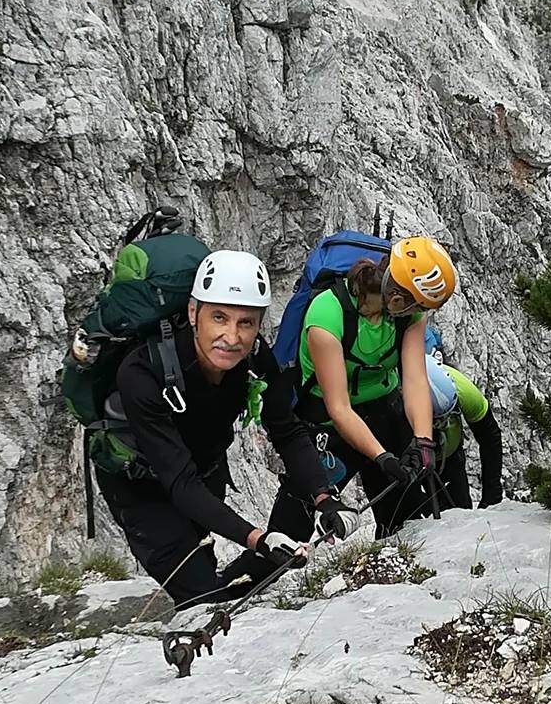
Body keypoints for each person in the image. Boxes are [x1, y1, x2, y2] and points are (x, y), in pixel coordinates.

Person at [95, 250, 358, 610]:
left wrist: (324, 498)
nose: (231, 336)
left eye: (246, 323)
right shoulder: (143, 372)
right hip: (141, 487)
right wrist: (257, 539)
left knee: (208, 575)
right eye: (219, 317)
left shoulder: (253, 357)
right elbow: (179, 482)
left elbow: (286, 429)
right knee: (203, 598)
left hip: (203, 469)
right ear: (193, 313)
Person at [267, 236, 458, 540]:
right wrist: (382, 457)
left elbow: (415, 379)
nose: (417, 312)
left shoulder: (411, 313)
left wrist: (423, 441)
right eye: (413, 304)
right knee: (289, 531)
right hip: (330, 425)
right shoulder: (327, 314)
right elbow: (339, 407)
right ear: (397, 295)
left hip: (385, 413)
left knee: (405, 523)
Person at [421, 353, 503, 512]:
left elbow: (490, 438)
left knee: (460, 509)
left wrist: (491, 496)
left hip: (449, 456)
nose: (441, 424)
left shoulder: (464, 391)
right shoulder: (398, 403)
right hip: (410, 459)